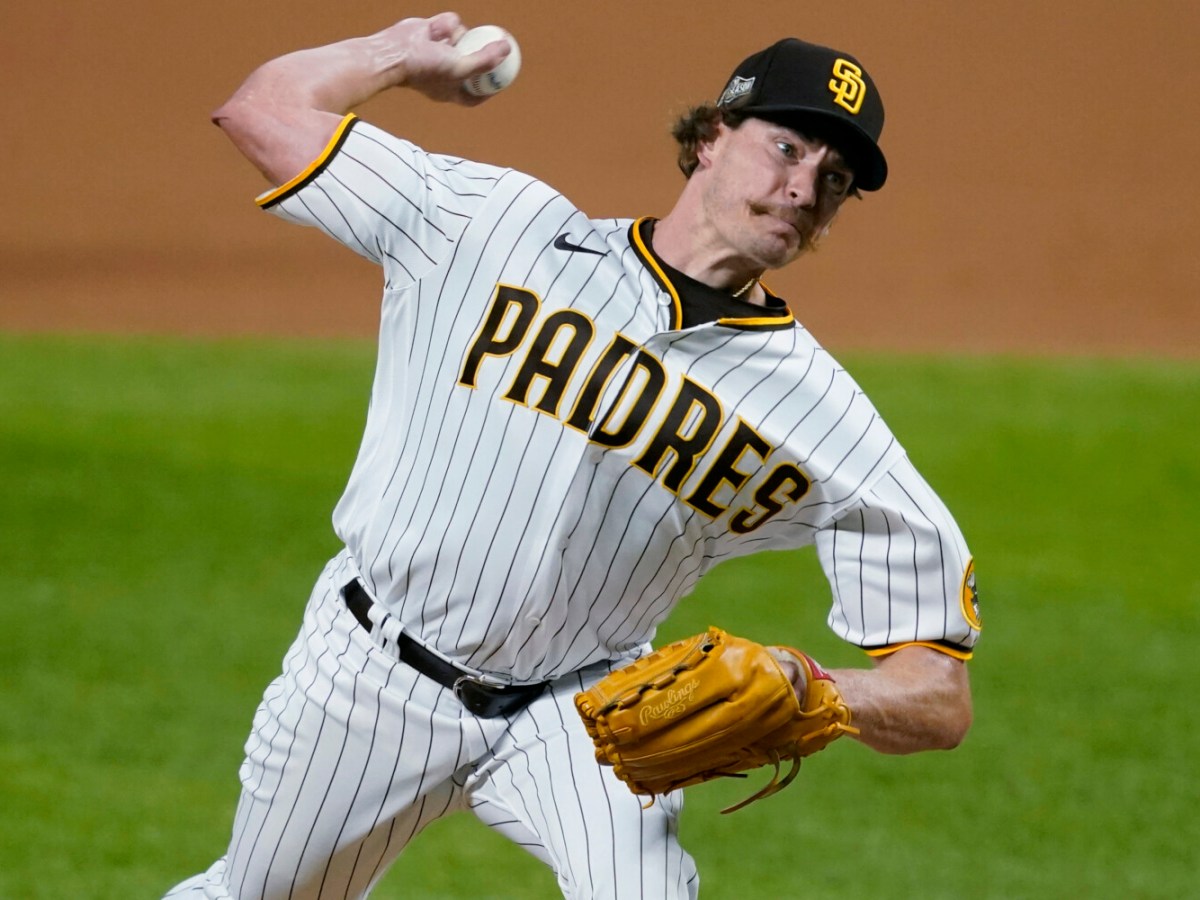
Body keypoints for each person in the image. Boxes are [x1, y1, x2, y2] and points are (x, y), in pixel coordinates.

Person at [166, 12, 980, 899]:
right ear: (712, 137)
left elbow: (938, 695)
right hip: (369, 672)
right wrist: (398, 57)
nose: (803, 188)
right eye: (786, 148)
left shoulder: (823, 415)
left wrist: (814, 688)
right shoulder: (490, 226)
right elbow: (263, 111)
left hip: (582, 712)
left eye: (835, 179)